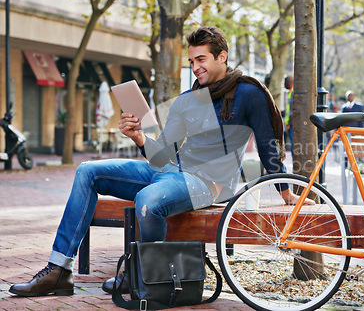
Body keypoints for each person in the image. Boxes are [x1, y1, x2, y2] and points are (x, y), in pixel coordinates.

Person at [9, 26, 314, 297]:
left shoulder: (249, 93)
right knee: (88, 171)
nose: (195, 67)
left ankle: (142, 276)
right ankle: (59, 271)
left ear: (222, 57)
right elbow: (163, 154)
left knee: (147, 199)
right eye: (192, 61)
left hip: (208, 183)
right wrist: (139, 137)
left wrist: (286, 191)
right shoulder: (188, 99)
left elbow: (266, 146)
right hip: (170, 171)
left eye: (201, 60)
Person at [283, 76, 294, 149]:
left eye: (285, 82)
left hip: (291, 125)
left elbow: (292, 110)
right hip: (290, 125)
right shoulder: (290, 92)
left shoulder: (293, 92)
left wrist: (289, 124)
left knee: (294, 146)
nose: (284, 84)